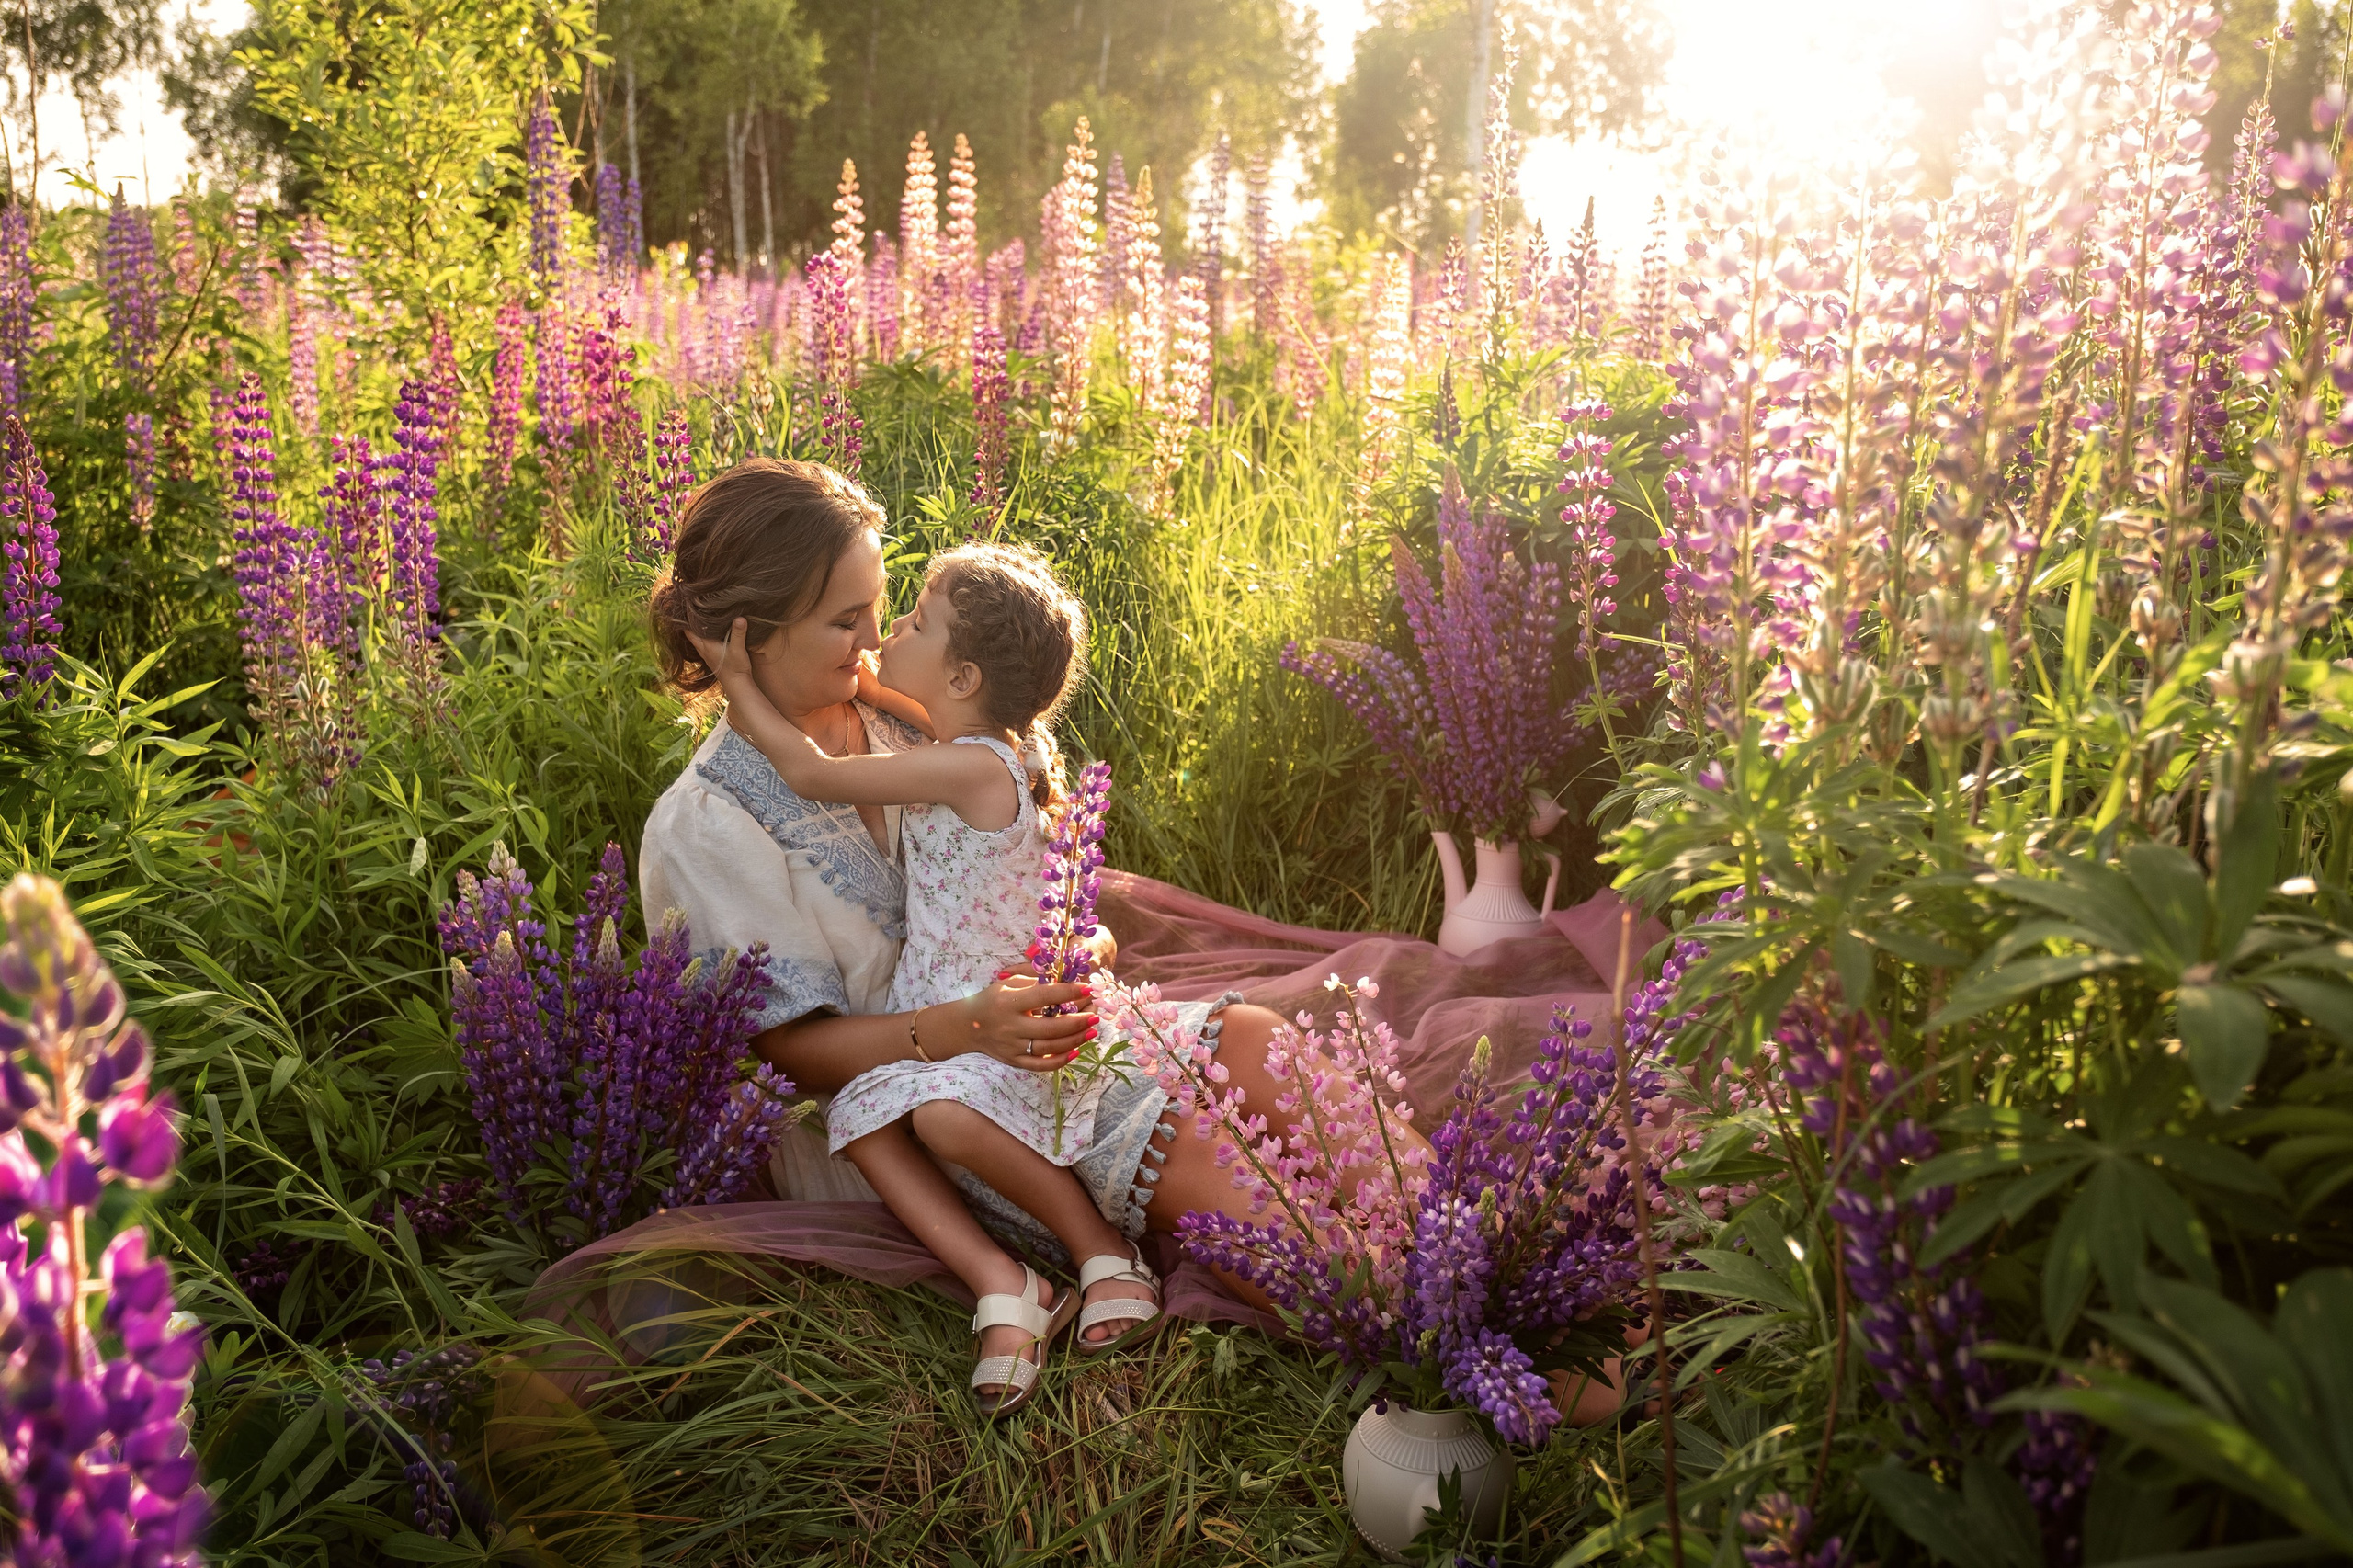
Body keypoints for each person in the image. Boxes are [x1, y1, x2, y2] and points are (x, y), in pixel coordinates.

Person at [688, 540, 1169, 1415]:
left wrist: (737, 683)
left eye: (911, 620)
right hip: (941, 1000)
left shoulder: (972, 765)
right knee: (862, 1116)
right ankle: (1006, 1283)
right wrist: (850, 671)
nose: (886, 635)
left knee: (943, 1117)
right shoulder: (970, 736)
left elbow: (811, 772)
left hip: (992, 1004)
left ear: (962, 679)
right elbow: (871, 688)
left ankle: (1101, 1251)